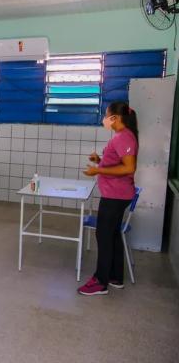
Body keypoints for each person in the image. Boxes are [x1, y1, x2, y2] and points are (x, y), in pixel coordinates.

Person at [78, 101, 139, 296]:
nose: (104, 119)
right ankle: (115, 277)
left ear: (116, 118)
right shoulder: (123, 136)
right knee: (112, 235)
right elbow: (118, 163)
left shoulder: (124, 137)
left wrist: (98, 169)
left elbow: (129, 168)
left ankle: (100, 281)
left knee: (103, 236)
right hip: (117, 193)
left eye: (107, 115)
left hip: (115, 195)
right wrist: (99, 161)